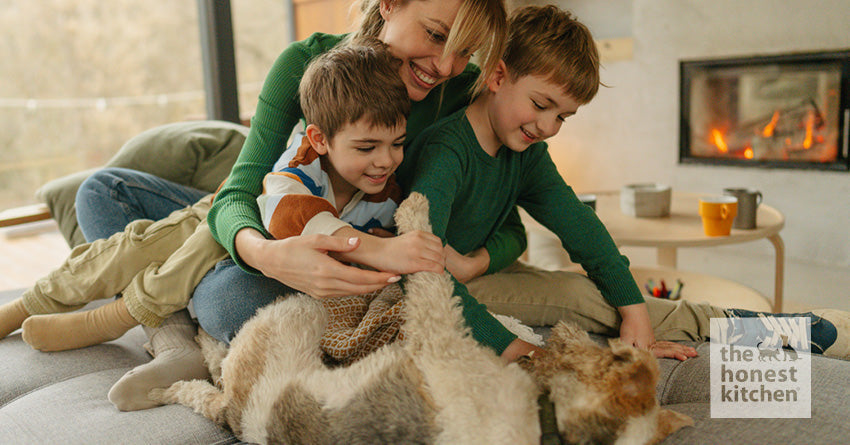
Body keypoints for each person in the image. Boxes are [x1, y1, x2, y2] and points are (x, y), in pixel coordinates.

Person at [57, 0, 515, 411]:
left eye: (465, 50)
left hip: (337, 250)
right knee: (101, 191)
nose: (445, 65)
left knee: (230, 298)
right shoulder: (305, 63)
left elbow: (512, 225)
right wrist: (266, 254)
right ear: (390, 4)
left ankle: (184, 298)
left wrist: (475, 262)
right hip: (272, 222)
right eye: (436, 35)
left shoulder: (468, 95)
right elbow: (238, 194)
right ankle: (174, 337)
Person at [401, 4, 850, 361]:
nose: (549, 126)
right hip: (447, 286)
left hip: (484, 271)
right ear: (498, 76)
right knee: (581, 297)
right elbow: (421, 274)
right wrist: (510, 347)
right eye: (541, 104)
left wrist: (635, 311)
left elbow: (580, 226)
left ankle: (743, 323)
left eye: (563, 116)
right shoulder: (448, 152)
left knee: (602, 289)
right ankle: (746, 326)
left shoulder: (528, 153)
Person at [0, 42, 448, 351]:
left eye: (397, 144)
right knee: (142, 235)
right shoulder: (298, 170)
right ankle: (48, 306)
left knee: (225, 293)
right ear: (320, 139)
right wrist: (380, 250)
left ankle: (163, 313)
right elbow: (298, 219)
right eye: (367, 148)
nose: (386, 160)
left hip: (251, 274)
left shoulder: (388, 192)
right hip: (227, 221)